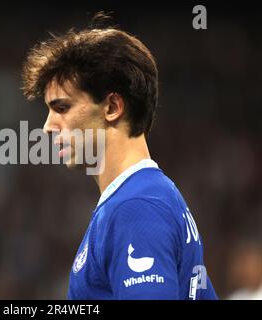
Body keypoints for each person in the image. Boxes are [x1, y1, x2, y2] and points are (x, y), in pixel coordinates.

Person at [21, 14, 217, 300]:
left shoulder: (136, 208)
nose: (47, 127)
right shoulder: (152, 197)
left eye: (62, 108)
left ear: (112, 106)